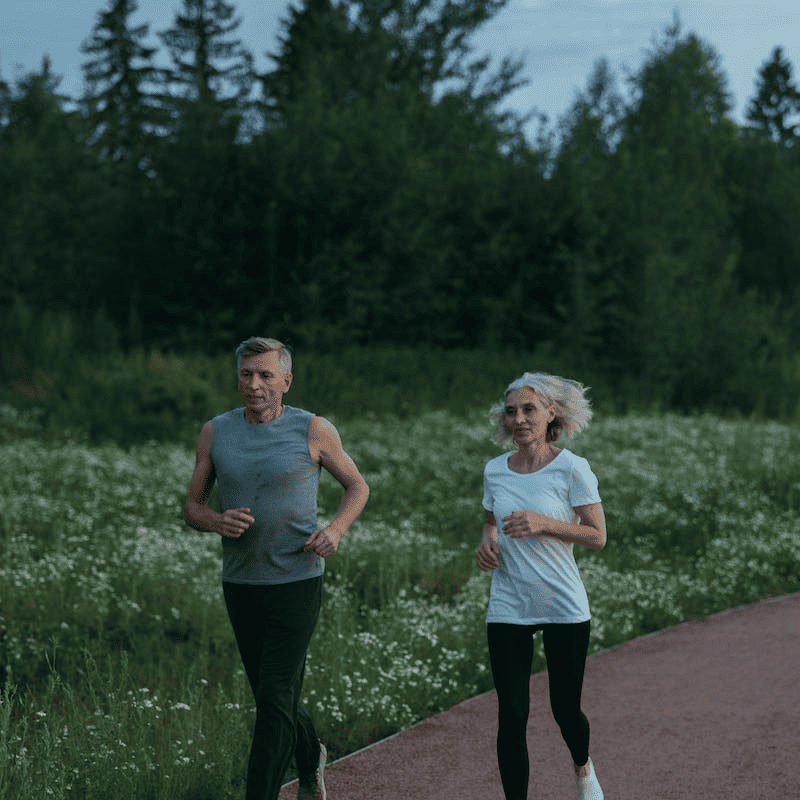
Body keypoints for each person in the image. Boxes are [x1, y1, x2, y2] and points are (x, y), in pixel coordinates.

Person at [184, 336, 370, 800]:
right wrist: (214, 520)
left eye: (266, 375)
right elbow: (193, 506)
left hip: (297, 581)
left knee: (271, 705)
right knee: (274, 697)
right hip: (241, 583)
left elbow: (358, 487)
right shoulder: (216, 431)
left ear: (287, 380)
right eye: (247, 374)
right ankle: (311, 759)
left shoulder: (313, 429)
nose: (255, 384)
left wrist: (337, 530)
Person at [476, 372, 606, 800]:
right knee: (512, 714)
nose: (519, 419)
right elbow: (492, 518)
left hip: (563, 603)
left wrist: (545, 523)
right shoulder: (495, 470)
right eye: (511, 411)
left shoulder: (572, 468)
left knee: (565, 710)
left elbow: (597, 536)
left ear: (552, 413)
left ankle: (583, 767)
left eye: (529, 409)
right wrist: (487, 542)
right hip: (509, 602)